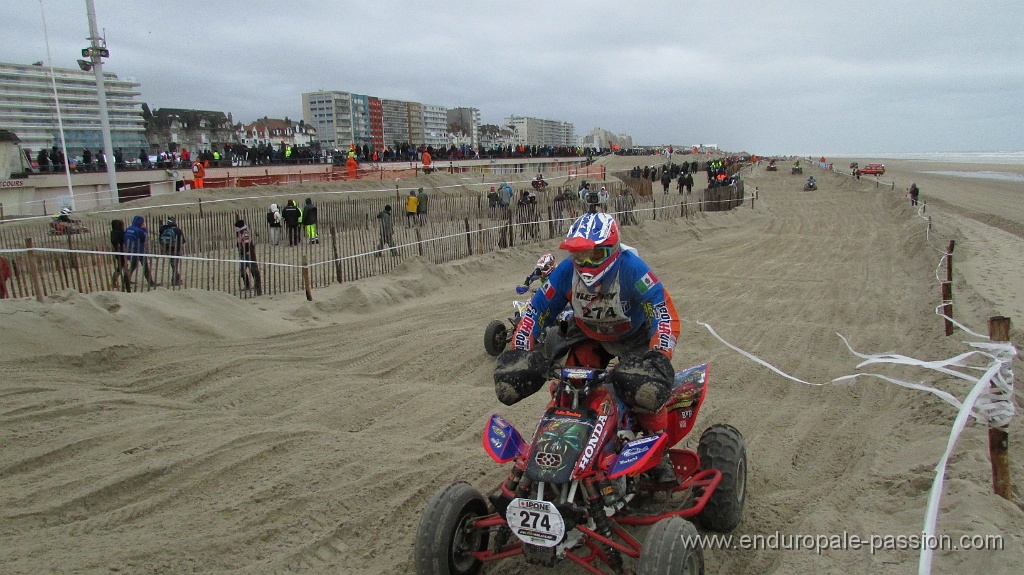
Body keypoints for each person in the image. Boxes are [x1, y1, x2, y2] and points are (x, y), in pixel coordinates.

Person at [493, 212, 681, 484]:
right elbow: (535, 312)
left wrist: (658, 357)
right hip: (589, 336)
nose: (587, 263)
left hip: (634, 338)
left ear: (613, 250)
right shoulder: (566, 272)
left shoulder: (633, 269)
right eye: (580, 257)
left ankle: (658, 451)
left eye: (595, 255)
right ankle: (558, 449)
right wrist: (520, 352)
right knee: (566, 389)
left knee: (646, 393)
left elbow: (663, 314)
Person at [123, 215, 158, 288]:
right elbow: (143, 239)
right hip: (139, 250)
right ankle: (150, 281)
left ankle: (127, 280)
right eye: (143, 223)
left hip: (130, 250)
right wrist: (144, 230)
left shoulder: (128, 229)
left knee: (133, 265)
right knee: (145, 266)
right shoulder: (139, 230)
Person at [235, 219, 262, 294]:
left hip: (247, 255)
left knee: (253, 269)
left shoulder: (245, 233)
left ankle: (257, 285)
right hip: (243, 254)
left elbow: (247, 243)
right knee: (242, 270)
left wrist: (246, 252)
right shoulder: (240, 233)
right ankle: (247, 285)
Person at [158, 216, 185, 286]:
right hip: (177, 249)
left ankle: (176, 278)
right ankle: (175, 280)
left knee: (173, 264)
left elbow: (160, 240)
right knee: (175, 265)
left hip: (168, 250)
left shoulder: (164, 230)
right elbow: (183, 241)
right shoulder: (178, 230)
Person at [109, 219, 128, 290]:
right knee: (121, 267)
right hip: (121, 252)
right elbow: (122, 242)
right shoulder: (120, 233)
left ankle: (115, 280)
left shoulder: (113, 232)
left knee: (121, 266)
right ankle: (115, 281)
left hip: (117, 252)